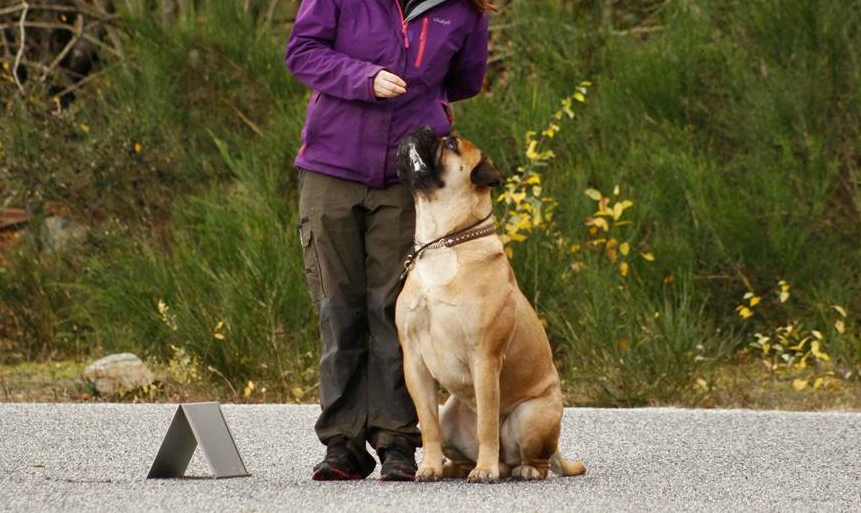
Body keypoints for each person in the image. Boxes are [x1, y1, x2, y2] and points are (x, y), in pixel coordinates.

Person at [285, 0, 493, 481]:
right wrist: (363, 79)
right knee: (339, 309)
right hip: (331, 166)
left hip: (409, 178)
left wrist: (424, 103)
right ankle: (343, 444)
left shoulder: (465, 11)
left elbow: (466, 81)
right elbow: (302, 52)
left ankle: (397, 440)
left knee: (396, 311)